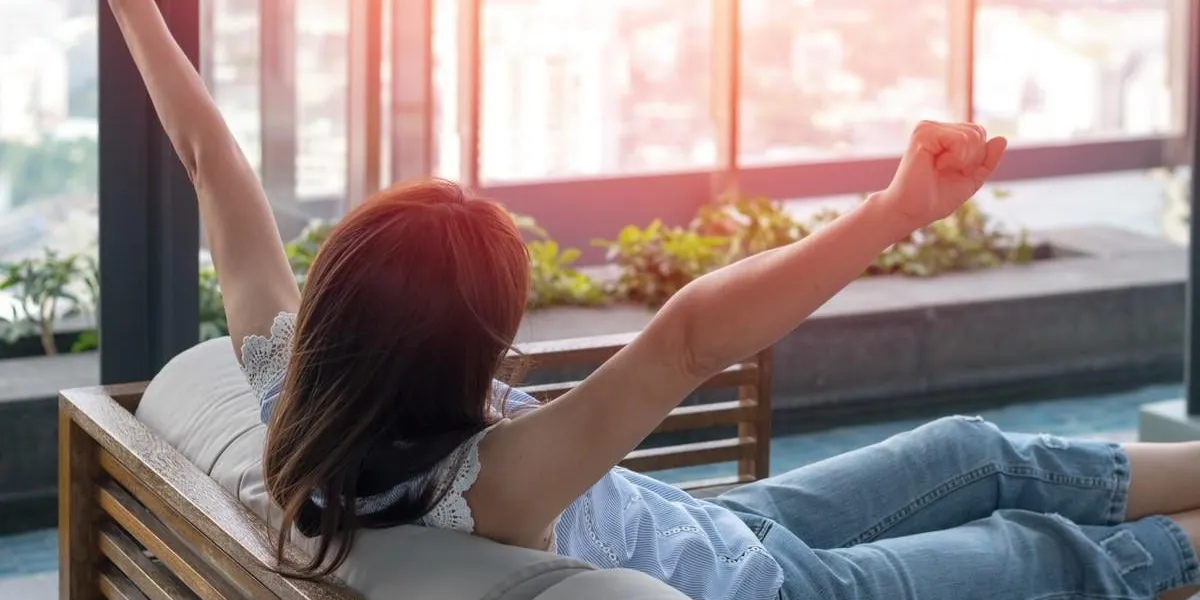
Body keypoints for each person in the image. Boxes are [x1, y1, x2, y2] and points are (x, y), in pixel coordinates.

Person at [106, 1, 1200, 598]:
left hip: (715, 529)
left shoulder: (289, 386)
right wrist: (891, 212)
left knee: (972, 450)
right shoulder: (490, 481)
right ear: (454, 348)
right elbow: (683, 343)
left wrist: (136, 12)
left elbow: (210, 161)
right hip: (770, 591)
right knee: (1045, 551)